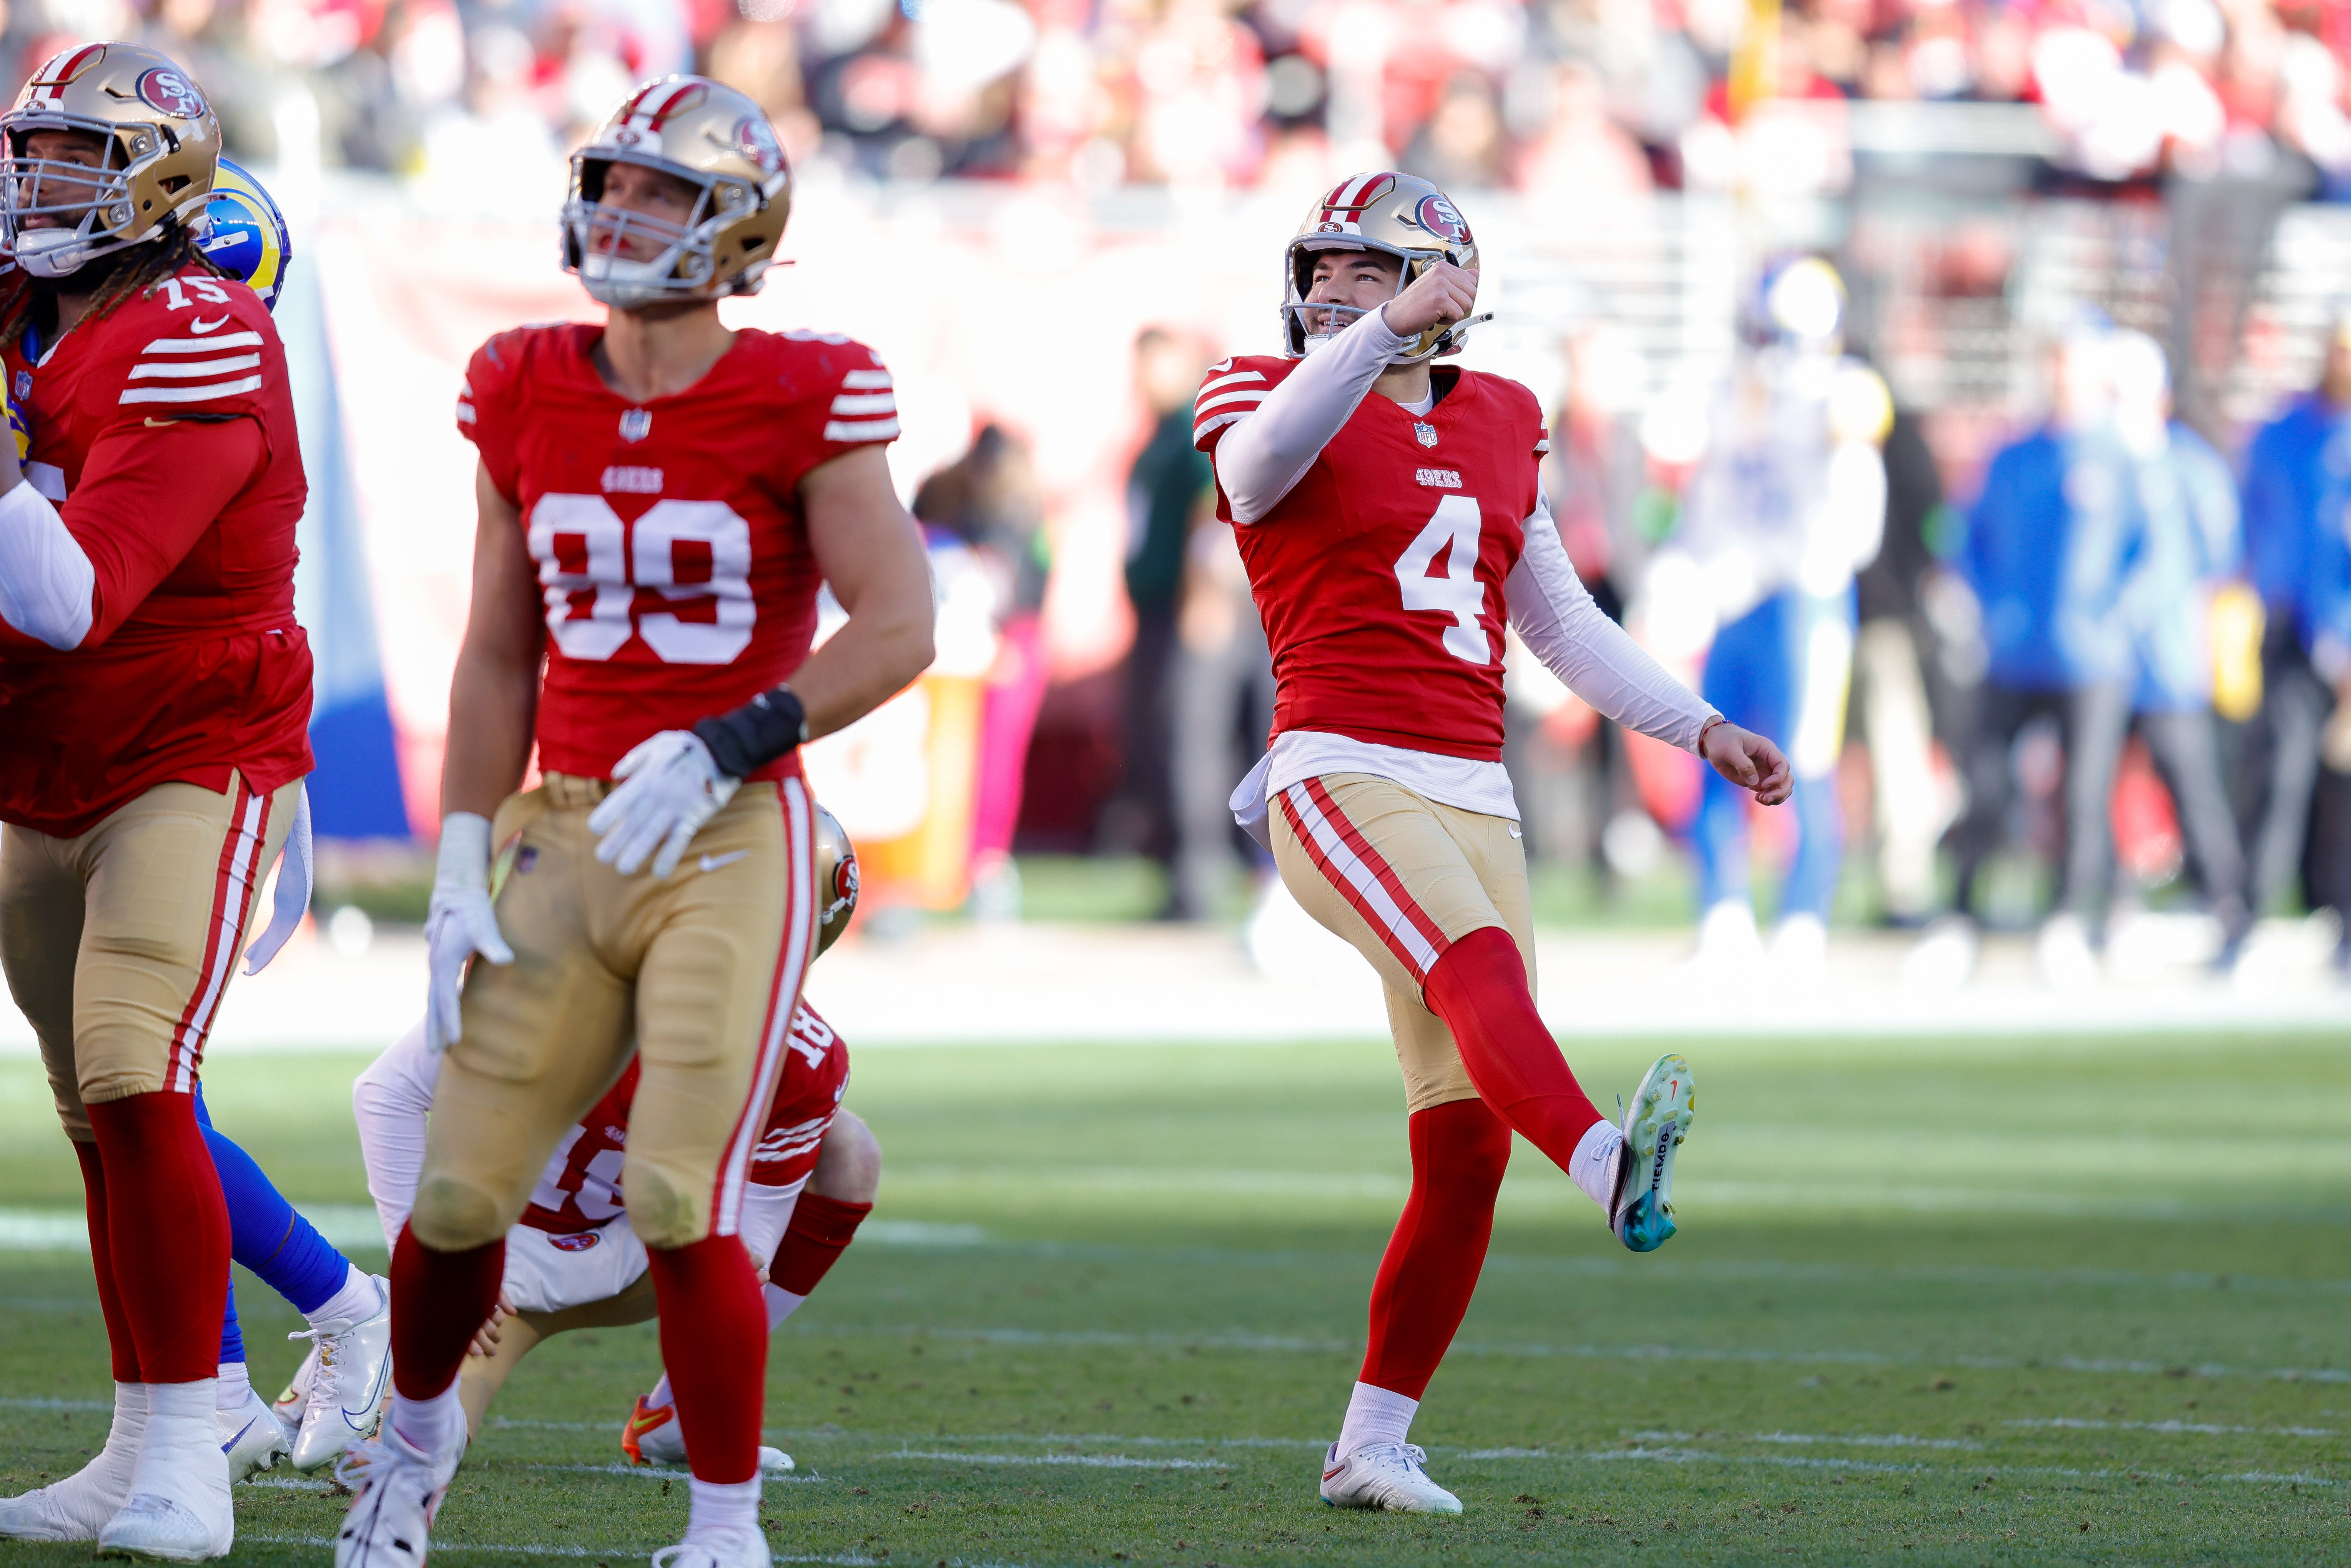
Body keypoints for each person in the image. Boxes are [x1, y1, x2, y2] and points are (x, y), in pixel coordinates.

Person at [334, 74, 934, 1568]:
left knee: (680, 1189)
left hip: (731, 826)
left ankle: (722, 1526)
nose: (623, 213)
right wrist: (462, 847)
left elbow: (899, 622)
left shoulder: (806, 385)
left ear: (736, 224)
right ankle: (409, 1458)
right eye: (610, 183)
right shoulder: (523, 376)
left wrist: (742, 729)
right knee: (463, 1192)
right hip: (565, 823)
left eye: (660, 190)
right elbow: (495, 649)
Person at [1200, 172, 1790, 1515]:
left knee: (1461, 1144)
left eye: (1366, 271)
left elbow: (1562, 622)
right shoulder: (1255, 389)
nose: (1331, 294)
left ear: (1448, 283)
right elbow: (1255, 470)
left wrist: (1698, 728)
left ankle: (1370, 1442)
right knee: (1481, 972)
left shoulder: (1504, 415)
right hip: (1335, 767)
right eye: (1322, 272)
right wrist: (1366, 333)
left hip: (1473, 779)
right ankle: (1601, 1161)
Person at [0, 43, 312, 1560]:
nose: (37, 183)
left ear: (159, 177)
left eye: (71, 157)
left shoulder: (205, 333)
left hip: (186, 744)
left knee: (138, 1069)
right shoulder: (24, 307)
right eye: (30, 152)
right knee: (89, 1110)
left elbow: (72, 596)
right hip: (37, 757)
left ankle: (200, 1451)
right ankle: (135, 1443)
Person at [350, 810, 876, 1459]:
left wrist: (734, 1259)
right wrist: (425, 1271)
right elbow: (387, 1092)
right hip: (508, 1240)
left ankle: (684, 1413)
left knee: (847, 1152)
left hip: (644, 1242)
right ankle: (366, 1335)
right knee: (428, 1428)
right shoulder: (556, 974)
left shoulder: (800, 1056)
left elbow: (755, 1242)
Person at [1666, 256, 1889, 971]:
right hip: (1737, 593)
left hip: (1807, 595)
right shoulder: (1737, 398)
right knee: (1712, 748)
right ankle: (1725, 914)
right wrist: (1689, 568)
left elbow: (1859, 446)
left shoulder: (1837, 393)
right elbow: (1706, 494)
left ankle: (1803, 921)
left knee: (1807, 759)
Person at [1915, 319, 2148, 990]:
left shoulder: (2121, 457)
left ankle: (2069, 919)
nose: (2060, 378)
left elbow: (2150, 555)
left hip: (2091, 661)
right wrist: (1994, 609)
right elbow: (1969, 539)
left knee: (2082, 794)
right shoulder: (2014, 455)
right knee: (1985, 785)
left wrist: (2114, 618)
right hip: (2016, 656)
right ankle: (1959, 917)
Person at [2108, 330, 2251, 960]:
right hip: (2102, 662)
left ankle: (2228, 910)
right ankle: (2111, 904)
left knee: (2194, 791)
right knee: (2094, 791)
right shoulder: (2095, 461)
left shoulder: (2190, 467)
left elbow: (2219, 559)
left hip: (2167, 659)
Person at [2237, 310, 2351, 921]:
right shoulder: (2284, 434)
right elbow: (2256, 523)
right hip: (2290, 627)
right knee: (2281, 770)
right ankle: (2258, 910)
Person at [1118, 327, 1213, 913]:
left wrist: (1204, 594)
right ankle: (1171, 873)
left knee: (1189, 741)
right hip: (1151, 612)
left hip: (1184, 611)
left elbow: (1213, 512)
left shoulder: (1193, 431)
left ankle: (1196, 879)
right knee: (1155, 738)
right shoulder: (1154, 436)